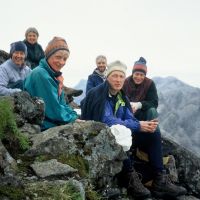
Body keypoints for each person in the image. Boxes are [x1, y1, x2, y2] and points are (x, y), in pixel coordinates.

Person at [81, 60, 186, 199]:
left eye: (121, 77)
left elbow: (129, 116)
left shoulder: (121, 95)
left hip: (119, 133)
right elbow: (106, 121)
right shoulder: (99, 94)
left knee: (152, 134)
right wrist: (137, 125)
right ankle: (131, 180)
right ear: (108, 77)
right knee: (120, 135)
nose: (118, 80)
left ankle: (160, 180)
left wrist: (142, 125)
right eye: (115, 76)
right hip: (102, 137)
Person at [24, 37, 81, 130]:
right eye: (58, 57)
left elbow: (62, 103)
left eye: (65, 59)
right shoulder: (41, 74)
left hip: (51, 122)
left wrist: (73, 115)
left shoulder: (54, 76)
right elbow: (53, 108)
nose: (61, 62)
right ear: (49, 55)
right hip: (42, 126)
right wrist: (72, 118)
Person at [123, 57, 158, 122]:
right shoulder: (125, 82)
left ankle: (153, 130)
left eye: (142, 75)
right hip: (126, 114)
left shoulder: (150, 83)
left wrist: (139, 105)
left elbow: (154, 103)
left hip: (143, 115)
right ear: (133, 73)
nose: (139, 77)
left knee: (152, 111)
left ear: (145, 75)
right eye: (137, 74)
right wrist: (128, 105)